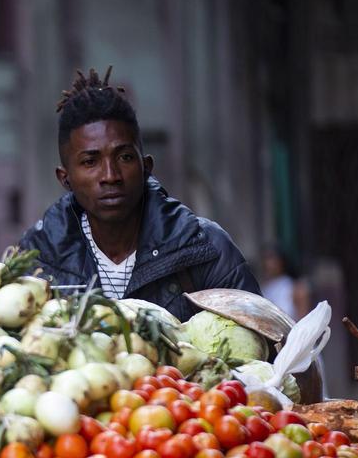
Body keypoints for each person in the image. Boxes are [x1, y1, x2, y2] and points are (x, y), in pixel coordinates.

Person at [19, 67, 260, 320]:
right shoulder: (39, 260)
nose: (110, 175)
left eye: (124, 157)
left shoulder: (205, 248)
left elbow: (260, 348)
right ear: (65, 178)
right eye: (91, 162)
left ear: (146, 167)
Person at [260, 246, 310, 321]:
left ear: (281, 261)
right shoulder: (264, 288)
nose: (268, 264)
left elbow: (304, 319)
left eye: (271, 259)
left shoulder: (295, 287)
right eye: (265, 259)